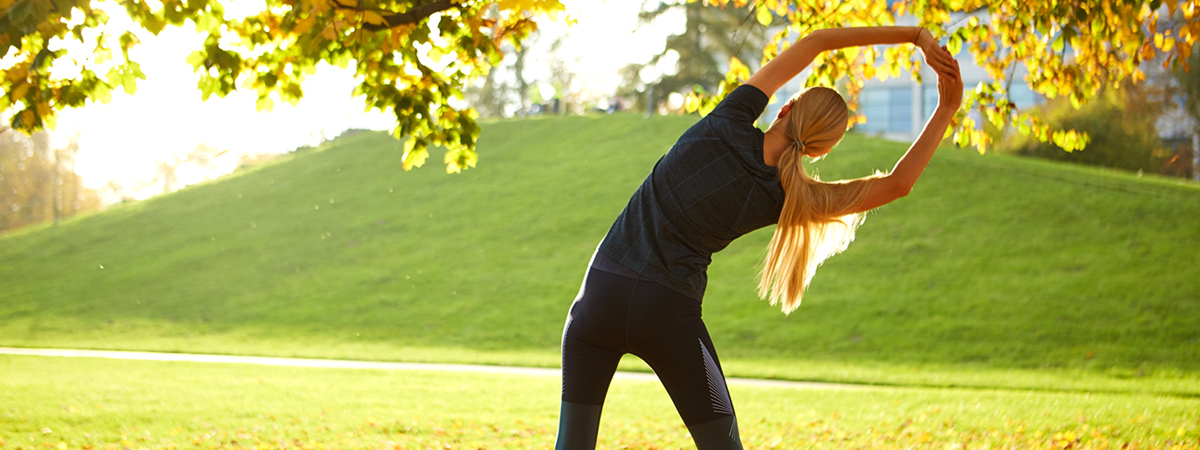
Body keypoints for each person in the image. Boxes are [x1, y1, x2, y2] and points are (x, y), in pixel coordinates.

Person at [554, 26, 963, 450]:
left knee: (572, 445)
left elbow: (815, 43)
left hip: (599, 293)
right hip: (667, 313)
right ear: (820, 152)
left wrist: (915, 36)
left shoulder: (727, 120)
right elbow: (897, 184)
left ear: (785, 108)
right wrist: (947, 106)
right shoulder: (791, 196)